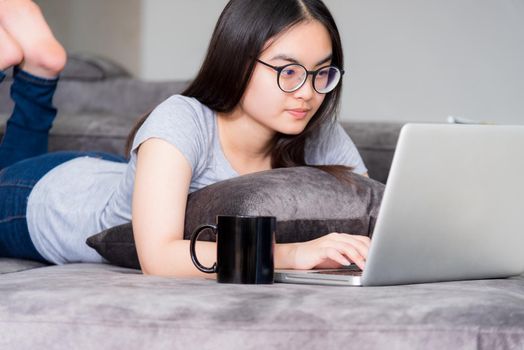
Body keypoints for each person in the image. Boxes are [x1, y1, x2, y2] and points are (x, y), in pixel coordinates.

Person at [0, 0, 371, 277]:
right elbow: (158, 258)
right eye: (289, 71)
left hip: (108, 177)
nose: (307, 92)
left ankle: (39, 69)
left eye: (323, 72)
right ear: (238, 61)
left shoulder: (317, 130)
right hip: (43, 198)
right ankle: (33, 73)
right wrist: (290, 256)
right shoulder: (182, 118)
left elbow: (371, 211)